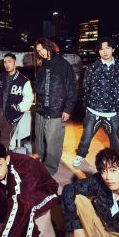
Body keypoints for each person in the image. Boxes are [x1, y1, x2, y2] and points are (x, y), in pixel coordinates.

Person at [73, 36, 119, 168]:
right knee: (86, 136)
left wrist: (118, 106)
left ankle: (116, 160)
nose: (105, 51)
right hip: (93, 110)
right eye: (101, 49)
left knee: (115, 141)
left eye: (108, 48)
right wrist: (87, 105)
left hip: (113, 112)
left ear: (113, 49)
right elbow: (86, 87)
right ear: (98, 51)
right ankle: (80, 155)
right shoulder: (92, 67)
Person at [34, 38, 78, 175]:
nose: (41, 52)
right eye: (38, 51)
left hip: (56, 110)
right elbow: (37, 86)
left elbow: (72, 88)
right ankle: (42, 162)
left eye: (43, 49)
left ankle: (50, 169)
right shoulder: (42, 65)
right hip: (41, 109)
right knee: (40, 140)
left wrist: (68, 109)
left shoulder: (63, 65)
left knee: (53, 142)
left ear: (49, 47)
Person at [0, 52, 34, 150]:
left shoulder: (24, 81)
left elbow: (29, 98)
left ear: (15, 63)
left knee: (4, 142)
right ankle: (6, 140)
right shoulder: (0, 77)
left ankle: (5, 148)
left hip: (11, 113)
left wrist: (19, 107)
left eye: (9, 61)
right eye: (5, 62)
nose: (7, 64)